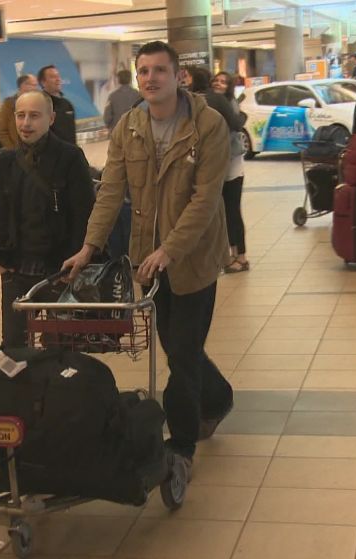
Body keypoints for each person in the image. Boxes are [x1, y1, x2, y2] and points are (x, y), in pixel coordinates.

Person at [63, 41, 234, 479]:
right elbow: (110, 191)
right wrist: (89, 246)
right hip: (147, 260)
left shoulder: (207, 125)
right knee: (176, 347)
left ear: (178, 76)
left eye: (160, 70)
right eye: (144, 71)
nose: (151, 78)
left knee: (183, 352)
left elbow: (205, 199)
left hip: (195, 256)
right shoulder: (130, 126)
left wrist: (169, 249)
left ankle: (181, 445)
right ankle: (218, 398)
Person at [0, 91, 95, 347]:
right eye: (20, 115)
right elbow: (0, 211)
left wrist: (75, 260)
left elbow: (84, 214)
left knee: (60, 345)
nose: (26, 123)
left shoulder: (70, 157)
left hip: (59, 269)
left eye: (34, 116)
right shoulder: (7, 161)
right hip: (16, 269)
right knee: (14, 345)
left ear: (51, 118)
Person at [211, 71, 250, 274]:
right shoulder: (217, 104)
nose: (218, 84)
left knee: (233, 212)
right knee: (226, 213)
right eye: (216, 80)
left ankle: (241, 256)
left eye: (223, 82)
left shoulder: (230, 105)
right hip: (223, 165)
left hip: (232, 167)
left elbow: (233, 129)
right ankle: (232, 255)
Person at [0, 74, 39, 151]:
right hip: (16, 150)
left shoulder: (39, 103)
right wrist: (13, 150)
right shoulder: (9, 104)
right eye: (33, 85)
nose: (35, 88)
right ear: (23, 85)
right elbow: (2, 131)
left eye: (36, 85)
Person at [38, 65, 77, 145]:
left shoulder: (67, 104)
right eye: (52, 77)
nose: (58, 79)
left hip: (71, 150)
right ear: (43, 82)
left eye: (58, 76)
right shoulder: (39, 105)